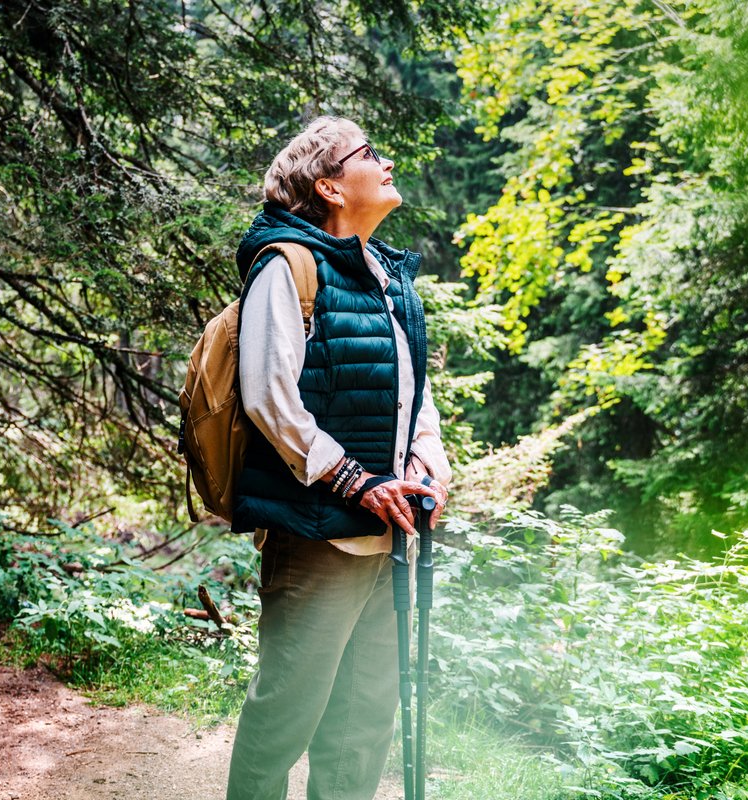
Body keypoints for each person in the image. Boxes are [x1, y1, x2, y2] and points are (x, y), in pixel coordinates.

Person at [225, 116, 451, 800]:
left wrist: (425, 464)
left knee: (360, 724)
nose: (385, 163)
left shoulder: (385, 275)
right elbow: (268, 395)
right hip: (318, 534)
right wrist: (353, 479)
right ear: (329, 185)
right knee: (285, 718)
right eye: (368, 153)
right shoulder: (287, 264)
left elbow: (415, 395)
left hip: (388, 535)